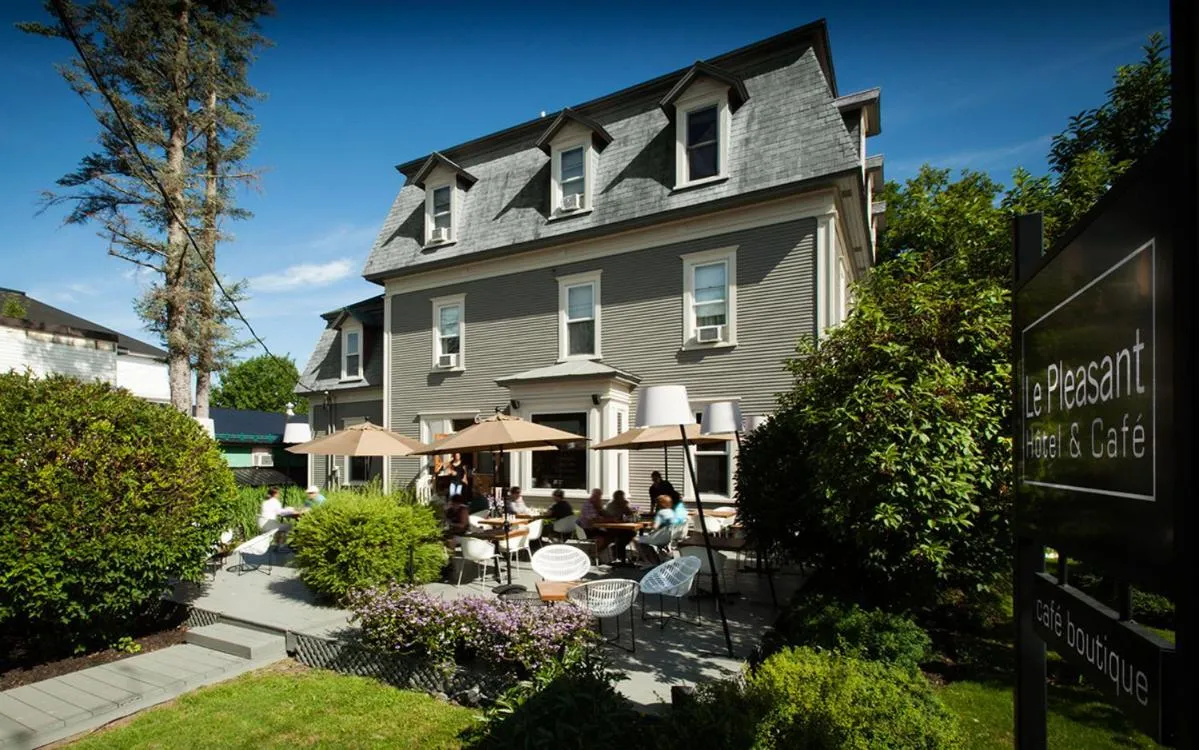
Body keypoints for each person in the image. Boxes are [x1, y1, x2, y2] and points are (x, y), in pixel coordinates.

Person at [635, 495, 678, 566]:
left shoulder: (661, 513)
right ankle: (654, 560)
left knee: (636, 540)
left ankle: (647, 562)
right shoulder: (672, 512)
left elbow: (655, 527)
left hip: (660, 538)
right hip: (669, 537)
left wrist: (650, 525)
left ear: (660, 504)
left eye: (656, 503)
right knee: (645, 541)